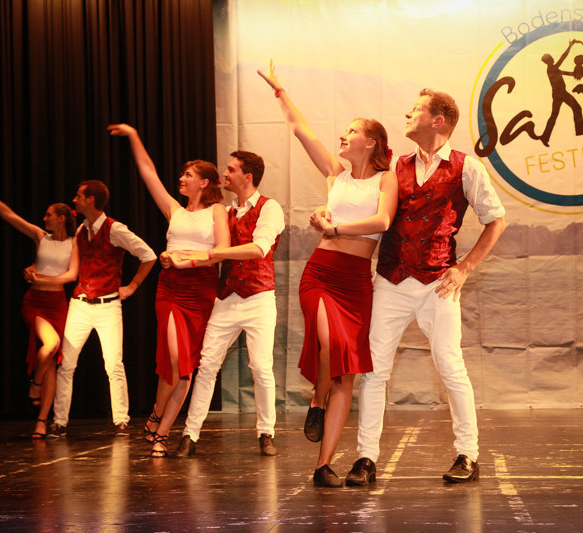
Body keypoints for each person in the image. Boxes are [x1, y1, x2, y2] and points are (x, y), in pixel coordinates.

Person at [338, 89, 506, 486]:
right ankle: (366, 458)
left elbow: (496, 220)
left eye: (416, 110)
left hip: (438, 283)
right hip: (391, 280)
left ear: (437, 121)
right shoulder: (395, 168)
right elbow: (364, 206)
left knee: (450, 366)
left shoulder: (467, 167)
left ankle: (468, 454)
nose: (407, 114)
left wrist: (464, 269)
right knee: (375, 371)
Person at [259, 61, 398, 487]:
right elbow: (301, 131)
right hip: (321, 273)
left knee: (346, 373)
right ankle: (316, 401)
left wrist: (336, 227)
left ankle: (323, 466)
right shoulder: (336, 176)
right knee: (330, 344)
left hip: (356, 281)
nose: (342, 135)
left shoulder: (386, 179)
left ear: (370, 142)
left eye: (351, 131)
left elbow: (383, 222)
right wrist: (280, 92)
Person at [108, 123, 229, 457]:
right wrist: (134, 135)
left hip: (200, 291)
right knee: (175, 360)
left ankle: (160, 430)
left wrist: (184, 260)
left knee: (184, 366)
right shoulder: (174, 210)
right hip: (171, 289)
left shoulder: (217, 211)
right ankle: (157, 414)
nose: (181, 178)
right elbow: (148, 172)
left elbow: (221, 252)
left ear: (204, 182)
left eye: (188, 174)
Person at [170, 150, 285, 458]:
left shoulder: (269, 207)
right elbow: (207, 249)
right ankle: (190, 434)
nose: (225, 173)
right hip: (227, 297)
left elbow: (259, 248)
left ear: (248, 177)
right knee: (207, 365)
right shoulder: (223, 212)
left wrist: (209, 255)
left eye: (231, 169)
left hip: (259, 297)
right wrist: (181, 258)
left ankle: (266, 432)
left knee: (261, 366)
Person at [0, 182, 79, 439]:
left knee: (51, 363)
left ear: (61, 218)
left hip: (57, 305)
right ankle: (36, 383)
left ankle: (41, 420)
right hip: (35, 303)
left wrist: (42, 276)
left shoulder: (74, 244)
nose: (44, 218)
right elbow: (9, 215)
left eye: (48, 215)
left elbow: (72, 275)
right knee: (50, 345)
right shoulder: (41, 236)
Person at [48, 179, 157, 437]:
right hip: (80, 304)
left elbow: (148, 255)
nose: (74, 200)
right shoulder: (81, 230)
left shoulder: (114, 229)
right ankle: (59, 421)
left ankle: (121, 420)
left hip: (107, 305)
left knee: (113, 364)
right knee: (66, 364)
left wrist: (133, 286)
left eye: (78, 196)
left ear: (91, 199)